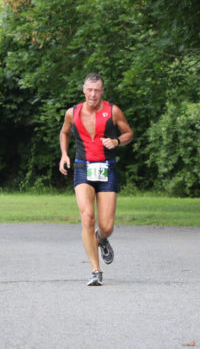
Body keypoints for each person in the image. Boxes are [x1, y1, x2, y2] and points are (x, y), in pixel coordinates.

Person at [59, 73, 134, 286]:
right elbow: (64, 133)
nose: (93, 94)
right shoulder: (72, 113)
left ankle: (101, 238)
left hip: (107, 169)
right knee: (87, 218)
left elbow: (129, 133)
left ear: (102, 91)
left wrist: (117, 141)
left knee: (106, 226)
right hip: (83, 168)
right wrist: (65, 155)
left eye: (97, 90)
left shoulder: (113, 111)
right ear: (84, 90)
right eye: (89, 90)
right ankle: (95, 270)